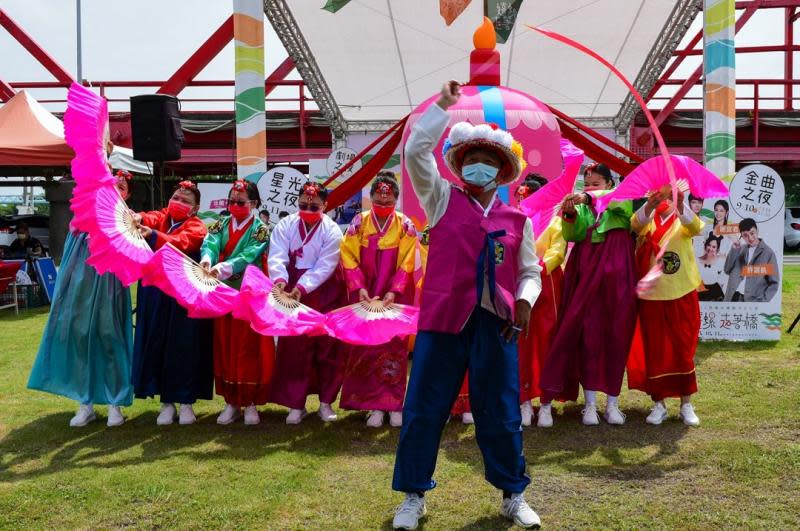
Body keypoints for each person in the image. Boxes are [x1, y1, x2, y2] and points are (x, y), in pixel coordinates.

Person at [391, 80, 542, 530]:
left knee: (500, 409)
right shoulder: (439, 200)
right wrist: (442, 105)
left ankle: (513, 493)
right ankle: (413, 496)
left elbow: (529, 271)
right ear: (459, 166)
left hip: (496, 325)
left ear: (501, 171)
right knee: (425, 407)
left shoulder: (518, 219)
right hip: (444, 321)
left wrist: (524, 299)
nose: (479, 167)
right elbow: (416, 151)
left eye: (488, 162)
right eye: (472, 160)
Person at [27, 170, 134, 427]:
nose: (116, 188)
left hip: (110, 280)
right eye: (112, 184)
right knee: (80, 332)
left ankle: (114, 403)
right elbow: (70, 254)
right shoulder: (85, 211)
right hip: (82, 280)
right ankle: (84, 402)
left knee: (110, 334)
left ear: (127, 194)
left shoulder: (127, 218)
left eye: (122, 187)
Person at [538, 163, 637, 427]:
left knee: (617, 335)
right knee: (589, 336)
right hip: (587, 274)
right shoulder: (581, 207)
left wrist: (590, 197)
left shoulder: (621, 199)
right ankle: (590, 405)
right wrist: (570, 215)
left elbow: (620, 206)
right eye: (587, 184)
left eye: (596, 183)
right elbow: (574, 233)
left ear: (608, 184)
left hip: (619, 278)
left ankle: (613, 403)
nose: (590, 188)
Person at [339, 172, 418, 428]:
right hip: (366, 293)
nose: (383, 203)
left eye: (388, 199)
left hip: (393, 296)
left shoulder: (405, 225)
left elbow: (408, 261)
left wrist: (394, 290)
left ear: (396, 199)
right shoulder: (359, 223)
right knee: (366, 345)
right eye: (378, 199)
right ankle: (372, 405)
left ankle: (393, 403)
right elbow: (347, 254)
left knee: (393, 347)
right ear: (370, 198)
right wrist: (359, 287)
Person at [131, 181, 212, 426]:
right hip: (156, 293)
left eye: (186, 201)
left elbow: (183, 243)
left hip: (183, 296)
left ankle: (186, 402)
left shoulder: (197, 226)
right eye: (176, 197)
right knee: (156, 341)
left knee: (184, 345)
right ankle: (166, 403)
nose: (179, 203)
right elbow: (149, 217)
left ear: (195, 208)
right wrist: (138, 217)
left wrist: (153, 236)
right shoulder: (163, 216)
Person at [268, 181, 344, 424]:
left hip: (325, 290)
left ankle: (325, 402)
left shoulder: (332, 230)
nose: (308, 209)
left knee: (327, 347)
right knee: (294, 348)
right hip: (290, 287)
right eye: (303, 205)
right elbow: (277, 253)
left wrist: (302, 287)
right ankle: (295, 403)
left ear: (326, 205)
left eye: (314, 205)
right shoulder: (286, 224)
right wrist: (279, 279)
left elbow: (326, 265)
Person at [627, 189, 704, 426]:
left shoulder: (682, 220)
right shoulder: (648, 219)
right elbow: (635, 225)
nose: (664, 200)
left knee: (683, 347)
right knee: (656, 348)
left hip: (681, 291)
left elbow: (696, 228)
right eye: (658, 195)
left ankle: (686, 403)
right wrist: (649, 205)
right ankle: (658, 403)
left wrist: (681, 206)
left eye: (668, 195)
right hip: (652, 294)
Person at [200, 180, 272, 425]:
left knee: (248, 346)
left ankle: (250, 402)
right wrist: (208, 260)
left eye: (240, 202)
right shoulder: (220, 224)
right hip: (222, 292)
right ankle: (230, 401)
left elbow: (250, 254)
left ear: (254, 204)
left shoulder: (261, 229)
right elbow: (209, 242)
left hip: (248, 294)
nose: (235, 205)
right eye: (231, 201)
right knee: (225, 343)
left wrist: (224, 267)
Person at [514, 174, 566, 428]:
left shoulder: (555, 221)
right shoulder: (514, 219)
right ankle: (524, 401)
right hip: (521, 284)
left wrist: (539, 266)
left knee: (547, 341)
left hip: (547, 285)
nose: (528, 199)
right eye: (525, 195)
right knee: (522, 342)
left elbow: (558, 250)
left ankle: (545, 403)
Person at [723, 218, 780, 302]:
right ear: (741, 236)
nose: (750, 238)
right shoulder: (740, 249)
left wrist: (762, 301)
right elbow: (727, 270)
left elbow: (774, 283)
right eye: (745, 235)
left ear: (757, 231)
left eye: (752, 233)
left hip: (752, 301)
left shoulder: (768, 253)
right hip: (732, 297)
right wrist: (734, 250)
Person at [698, 234, 726, 301]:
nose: (710, 248)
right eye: (709, 245)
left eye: (714, 247)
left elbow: (722, 282)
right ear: (705, 245)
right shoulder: (697, 260)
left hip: (716, 294)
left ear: (717, 249)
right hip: (700, 292)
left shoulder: (721, 261)